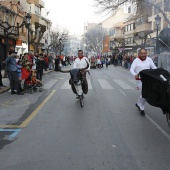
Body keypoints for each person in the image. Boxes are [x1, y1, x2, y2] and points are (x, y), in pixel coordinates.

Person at [130, 48, 157, 115]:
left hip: (148, 80)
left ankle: (138, 104)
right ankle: (141, 107)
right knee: (144, 93)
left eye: (144, 53)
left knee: (146, 94)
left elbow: (154, 67)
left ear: (146, 53)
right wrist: (135, 74)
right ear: (139, 54)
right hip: (139, 80)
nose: (143, 55)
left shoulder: (149, 59)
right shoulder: (136, 60)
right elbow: (131, 69)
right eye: (142, 53)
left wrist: (158, 72)